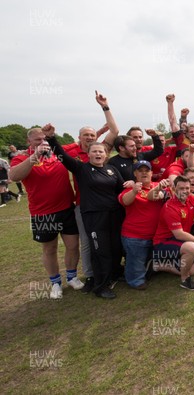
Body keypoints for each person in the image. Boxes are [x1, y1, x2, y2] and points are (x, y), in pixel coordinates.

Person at [44, 124, 128, 299]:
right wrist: (51, 138)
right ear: (88, 154)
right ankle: (100, 286)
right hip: (94, 217)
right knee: (100, 251)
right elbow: (61, 155)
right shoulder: (81, 169)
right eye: (94, 152)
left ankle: (113, 275)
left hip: (114, 214)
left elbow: (122, 188)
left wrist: (132, 185)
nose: (98, 154)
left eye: (101, 152)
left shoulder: (112, 170)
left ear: (106, 155)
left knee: (114, 248)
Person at [9, 128, 81, 299]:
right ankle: (55, 283)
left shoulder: (57, 152)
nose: (43, 143)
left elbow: (85, 141)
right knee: (50, 248)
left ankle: (72, 277)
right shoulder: (22, 158)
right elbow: (14, 176)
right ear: (29, 142)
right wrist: (35, 156)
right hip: (43, 213)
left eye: (44, 139)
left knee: (72, 246)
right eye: (37, 140)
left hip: (66, 208)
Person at [63, 90, 120, 293]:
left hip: (107, 206)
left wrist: (104, 106)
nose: (89, 138)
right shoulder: (71, 152)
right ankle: (90, 276)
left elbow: (114, 129)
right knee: (88, 244)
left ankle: (108, 274)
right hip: (84, 204)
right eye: (85, 136)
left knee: (107, 242)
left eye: (92, 135)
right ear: (79, 138)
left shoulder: (100, 149)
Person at [119, 161, 170, 289]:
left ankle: (146, 273)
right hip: (135, 236)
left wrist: (160, 187)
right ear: (135, 174)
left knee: (147, 260)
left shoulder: (158, 185)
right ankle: (135, 281)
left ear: (152, 173)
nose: (144, 173)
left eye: (146, 170)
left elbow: (155, 196)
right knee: (136, 261)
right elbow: (125, 201)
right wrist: (134, 191)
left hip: (156, 235)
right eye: (140, 171)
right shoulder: (129, 189)